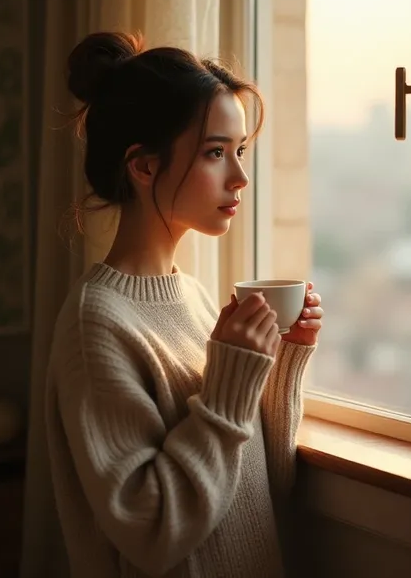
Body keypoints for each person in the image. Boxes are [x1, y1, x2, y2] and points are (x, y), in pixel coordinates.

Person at [45, 31, 324, 578]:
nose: (240, 177)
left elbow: (255, 490)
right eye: (216, 153)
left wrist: (282, 359)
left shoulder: (194, 299)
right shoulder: (95, 324)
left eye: (239, 151)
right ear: (144, 166)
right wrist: (231, 377)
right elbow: (154, 532)